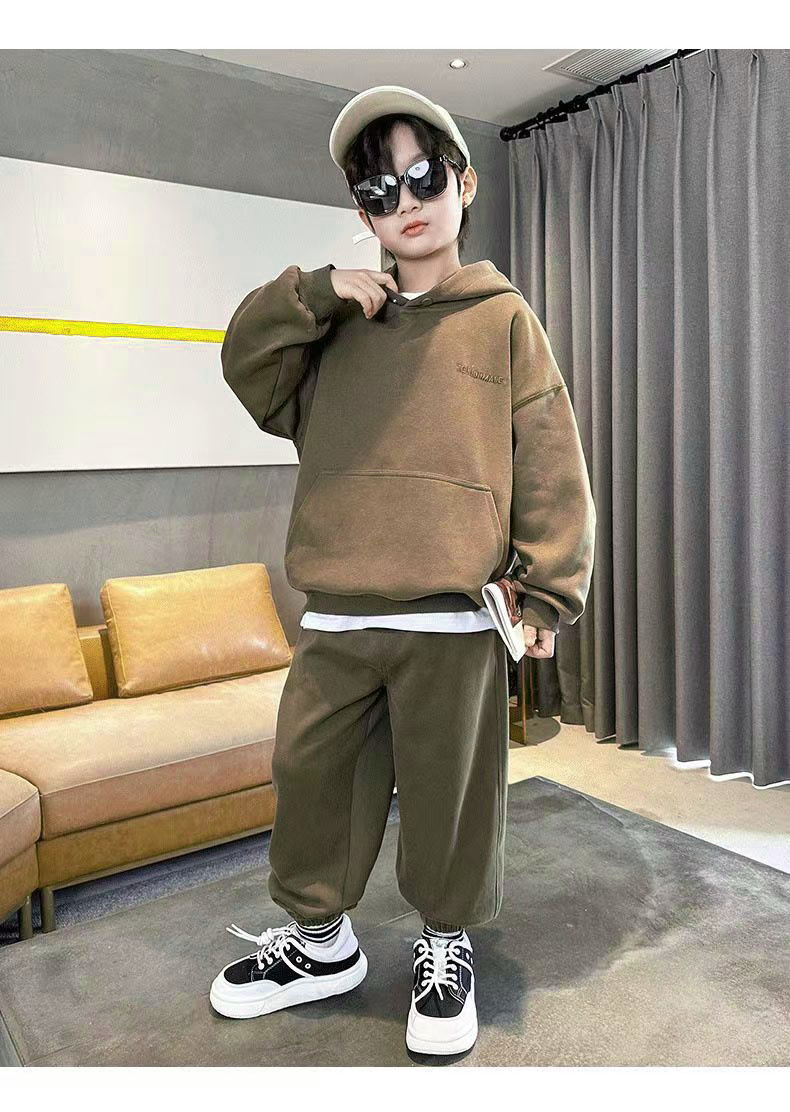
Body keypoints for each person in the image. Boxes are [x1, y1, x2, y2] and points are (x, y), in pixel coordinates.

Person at [209, 84, 596, 1056]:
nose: (406, 201)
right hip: (338, 609)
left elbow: (550, 456)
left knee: (449, 796)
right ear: (363, 211)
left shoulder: (503, 319)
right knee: (311, 780)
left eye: (423, 177)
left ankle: (445, 944)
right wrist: (314, 292)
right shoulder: (333, 324)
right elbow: (245, 364)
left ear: (464, 183)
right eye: (381, 189)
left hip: (453, 615)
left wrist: (548, 591)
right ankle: (320, 943)